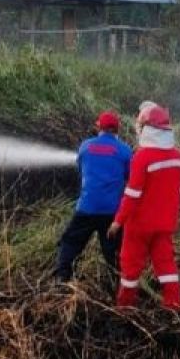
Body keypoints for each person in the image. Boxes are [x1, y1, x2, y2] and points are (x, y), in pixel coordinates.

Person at [108, 101, 180, 310]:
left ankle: (124, 307)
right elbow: (176, 192)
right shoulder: (177, 157)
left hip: (140, 225)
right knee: (166, 265)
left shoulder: (142, 157)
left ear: (147, 129)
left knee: (130, 266)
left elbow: (132, 195)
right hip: (165, 223)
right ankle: (175, 306)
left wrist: (118, 221)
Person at [55, 111, 133, 282]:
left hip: (87, 207)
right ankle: (118, 283)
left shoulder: (85, 146)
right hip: (111, 212)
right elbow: (130, 177)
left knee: (71, 242)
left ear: (99, 127)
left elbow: (82, 168)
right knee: (114, 250)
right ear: (117, 130)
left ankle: (62, 277)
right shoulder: (125, 150)